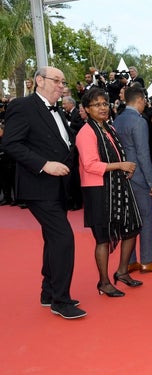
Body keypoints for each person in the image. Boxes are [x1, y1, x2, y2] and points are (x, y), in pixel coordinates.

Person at [2, 67, 86, 319]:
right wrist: (44, 164)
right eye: (56, 80)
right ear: (39, 81)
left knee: (53, 239)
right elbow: (11, 143)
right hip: (37, 186)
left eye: (63, 81)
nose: (62, 85)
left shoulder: (58, 110)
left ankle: (48, 293)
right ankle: (61, 300)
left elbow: (64, 144)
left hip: (59, 187)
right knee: (63, 238)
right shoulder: (23, 106)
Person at [76, 87, 143, 297]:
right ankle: (104, 282)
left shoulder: (108, 128)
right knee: (103, 238)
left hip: (118, 186)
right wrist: (120, 166)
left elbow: (116, 155)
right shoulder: (86, 133)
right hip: (98, 190)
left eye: (105, 103)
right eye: (97, 104)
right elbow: (90, 165)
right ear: (87, 109)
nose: (103, 108)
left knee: (132, 227)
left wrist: (124, 169)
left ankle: (122, 271)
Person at [113, 86, 152, 274]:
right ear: (139, 100)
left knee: (128, 220)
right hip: (138, 177)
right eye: (144, 100)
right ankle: (147, 260)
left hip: (122, 175)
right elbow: (143, 155)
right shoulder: (139, 121)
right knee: (146, 219)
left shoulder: (117, 120)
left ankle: (130, 261)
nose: (145, 103)